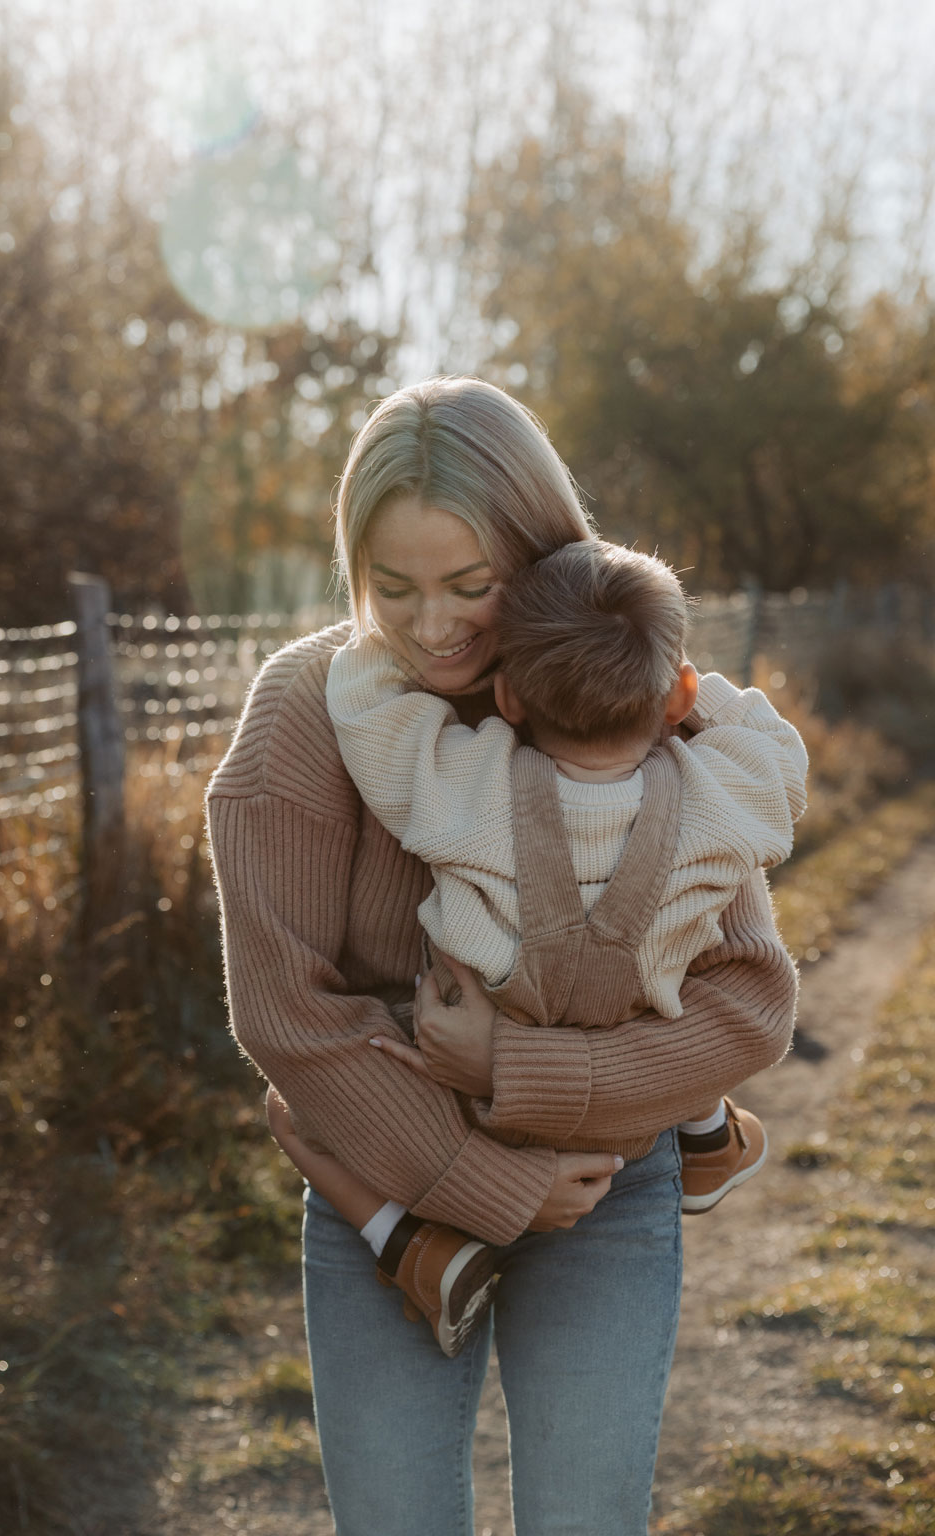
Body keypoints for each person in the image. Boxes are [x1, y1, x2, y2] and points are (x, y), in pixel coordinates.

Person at [206, 377, 799, 1536]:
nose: (432, 626)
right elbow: (285, 1015)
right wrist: (487, 1181)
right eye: (394, 589)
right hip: (394, 1190)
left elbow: (740, 1002)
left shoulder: (621, 690)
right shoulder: (307, 714)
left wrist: (525, 1077)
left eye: (471, 588)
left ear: (539, 552)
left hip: (605, 1197)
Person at [266, 538, 807, 1357]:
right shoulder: (727, 796)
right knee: (677, 971)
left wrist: (403, 618)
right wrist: (688, 685)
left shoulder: (465, 791)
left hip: (460, 1102)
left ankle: (410, 1241)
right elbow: (775, 741)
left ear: (509, 698)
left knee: (294, 1111)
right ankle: (704, 1133)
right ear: (678, 696)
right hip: (624, 1106)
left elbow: (371, 707)